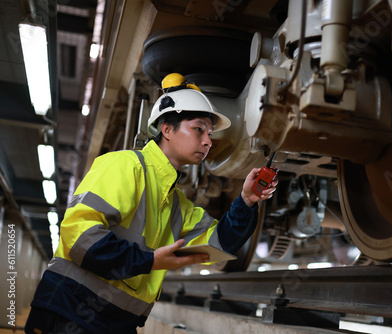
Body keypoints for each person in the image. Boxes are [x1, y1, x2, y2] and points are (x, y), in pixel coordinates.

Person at [25, 74, 277, 334]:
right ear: (167, 129)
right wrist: (148, 260)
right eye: (199, 129)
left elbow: (220, 243)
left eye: (210, 134)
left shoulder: (178, 204)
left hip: (117, 324)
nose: (208, 141)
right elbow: (80, 238)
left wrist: (246, 201)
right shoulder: (125, 165)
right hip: (68, 312)